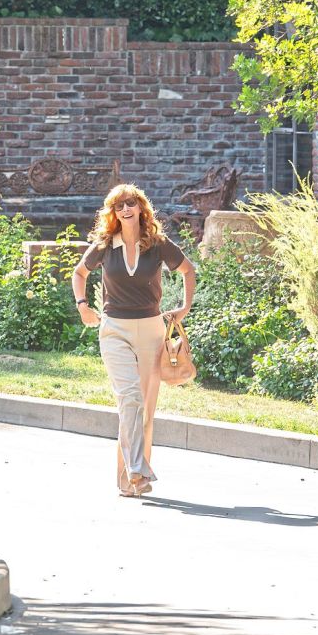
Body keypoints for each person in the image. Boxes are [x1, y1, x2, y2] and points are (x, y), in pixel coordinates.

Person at [71, 183, 197, 497]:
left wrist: (184, 307)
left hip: (152, 330)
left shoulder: (157, 244)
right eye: (119, 206)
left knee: (146, 408)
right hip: (114, 330)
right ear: (113, 213)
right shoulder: (104, 245)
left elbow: (188, 270)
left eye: (131, 203)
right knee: (129, 398)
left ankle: (129, 483)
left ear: (141, 208)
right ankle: (138, 471)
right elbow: (79, 273)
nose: (126, 210)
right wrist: (83, 306)